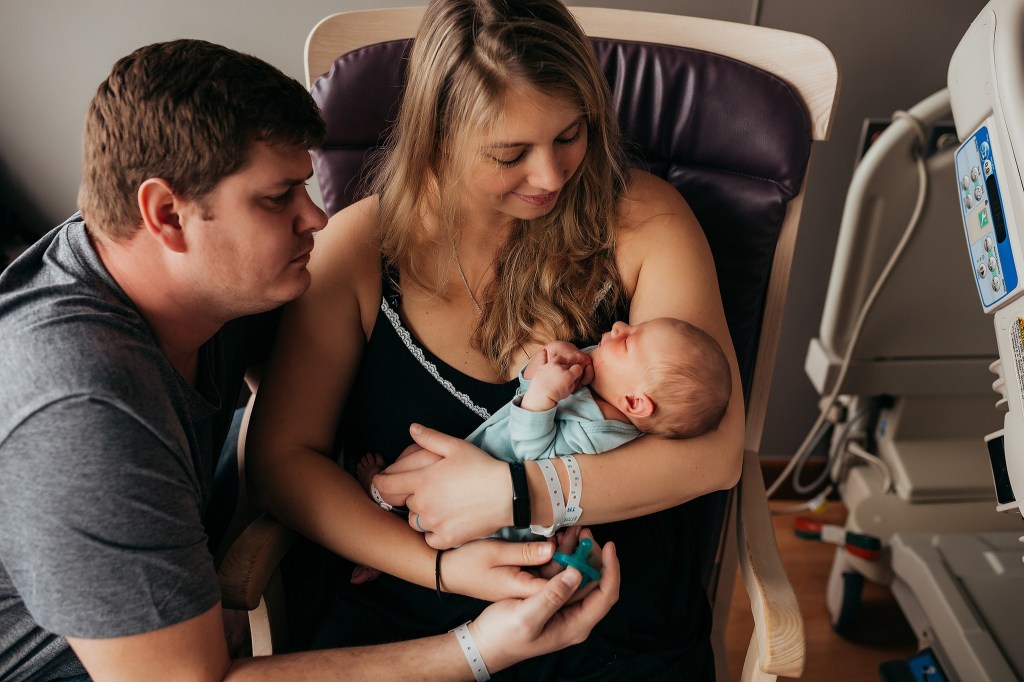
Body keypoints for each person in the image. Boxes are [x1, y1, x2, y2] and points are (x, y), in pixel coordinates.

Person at [0, 39, 619, 682]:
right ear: (166, 213)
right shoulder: (80, 419)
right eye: (278, 198)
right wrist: (478, 648)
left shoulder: (177, 274)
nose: (316, 217)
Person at [246, 0, 744, 678]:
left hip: (604, 610)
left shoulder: (645, 219)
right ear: (438, 137)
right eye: (510, 153)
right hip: (415, 604)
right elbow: (282, 461)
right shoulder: (358, 252)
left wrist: (517, 492)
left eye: (570, 135)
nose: (551, 176)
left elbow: (714, 456)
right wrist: (443, 566)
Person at [358, 317, 732, 538]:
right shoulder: (604, 388)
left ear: (634, 403)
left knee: (414, 468)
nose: (618, 326)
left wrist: (543, 398)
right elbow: (520, 397)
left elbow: (533, 457)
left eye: (628, 341)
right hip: (472, 462)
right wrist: (541, 369)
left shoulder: (598, 434)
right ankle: (389, 519)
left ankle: (379, 508)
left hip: (483, 519)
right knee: (413, 460)